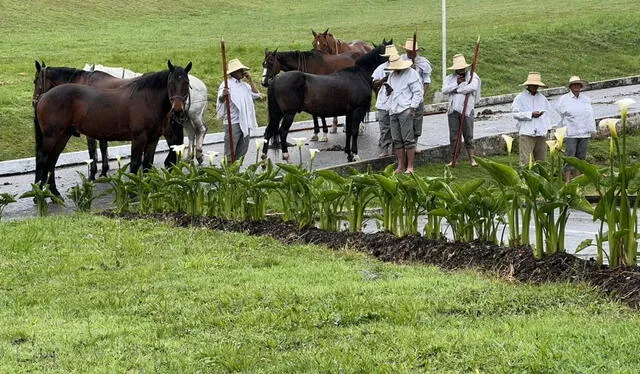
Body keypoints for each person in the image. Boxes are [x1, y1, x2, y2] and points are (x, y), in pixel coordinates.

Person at [216, 58, 262, 160]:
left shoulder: (245, 86)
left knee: (242, 150)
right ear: (233, 72)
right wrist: (224, 95)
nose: (242, 72)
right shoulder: (226, 84)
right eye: (240, 70)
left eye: (242, 70)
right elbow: (221, 99)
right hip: (233, 122)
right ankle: (228, 171)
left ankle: (236, 170)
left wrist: (250, 80)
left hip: (245, 121)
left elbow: (256, 94)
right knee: (230, 152)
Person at [385, 54, 424, 173]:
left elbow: (418, 92)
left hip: (405, 109)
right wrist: (388, 91)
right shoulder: (392, 76)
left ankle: (410, 166)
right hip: (394, 109)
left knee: (408, 139)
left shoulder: (411, 74)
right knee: (397, 139)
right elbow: (390, 92)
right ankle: (401, 166)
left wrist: (412, 108)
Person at [554, 75, 596, 182]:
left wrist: (592, 130)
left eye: (578, 85)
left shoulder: (586, 99)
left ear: (581, 86)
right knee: (570, 156)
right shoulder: (564, 99)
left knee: (581, 157)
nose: (577, 86)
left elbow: (590, 115)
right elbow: (559, 114)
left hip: (584, 132)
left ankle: (577, 179)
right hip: (571, 132)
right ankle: (567, 180)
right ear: (571, 87)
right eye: (574, 85)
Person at [442, 53, 481, 166]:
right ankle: (454, 159)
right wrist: (456, 84)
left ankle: (472, 159)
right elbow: (445, 90)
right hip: (453, 110)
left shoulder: (473, 76)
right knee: (454, 136)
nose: (461, 69)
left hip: (467, 110)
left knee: (468, 135)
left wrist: (458, 90)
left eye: (462, 67)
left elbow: (472, 87)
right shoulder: (450, 78)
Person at [512, 72, 551, 165]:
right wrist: (530, 114)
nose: (534, 86)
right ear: (528, 85)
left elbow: (547, 115)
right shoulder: (520, 98)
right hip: (527, 133)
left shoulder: (542, 98)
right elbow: (515, 114)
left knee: (541, 162)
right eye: (532, 85)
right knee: (525, 161)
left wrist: (547, 130)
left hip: (541, 133)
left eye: (536, 85)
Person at [400, 38, 432, 141]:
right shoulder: (401, 60)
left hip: (417, 95)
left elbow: (426, 81)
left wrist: (421, 95)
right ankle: (404, 142)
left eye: (412, 52)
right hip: (404, 96)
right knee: (404, 120)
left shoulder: (423, 63)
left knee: (417, 120)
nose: (410, 53)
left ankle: (415, 142)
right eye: (408, 51)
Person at [372, 45, 398, 158]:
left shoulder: (401, 67)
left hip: (397, 100)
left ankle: (396, 148)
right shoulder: (381, 68)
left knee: (396, 126)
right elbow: (374, 83)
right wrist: (382, 80)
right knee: (384, 126)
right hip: (384, 101)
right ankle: (385, 148)